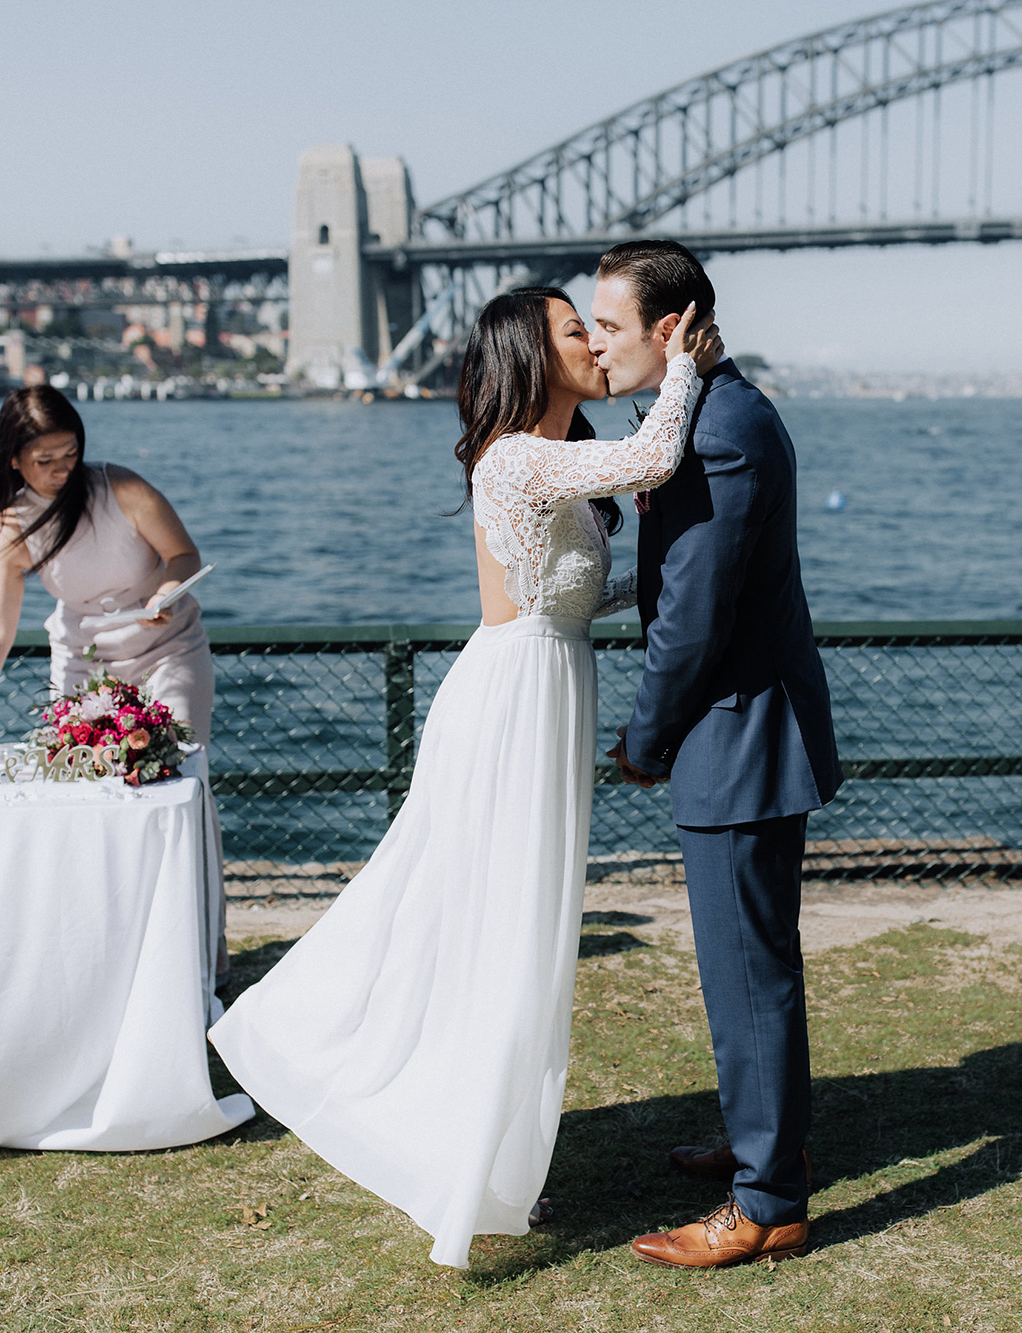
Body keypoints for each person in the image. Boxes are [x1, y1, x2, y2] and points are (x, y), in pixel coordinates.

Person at [208, 287, 725, 1270]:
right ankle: (413, 1118)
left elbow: (573, 596)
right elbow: (653, 456)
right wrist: (685, 358)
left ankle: (476, 1148)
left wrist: (665, 588)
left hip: (547, 682)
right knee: (492, 922)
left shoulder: (553, 468)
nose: (593, 340)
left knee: (518, 925)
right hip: (512, 700)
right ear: (531, 354)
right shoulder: (518, 456)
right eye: (576, 329)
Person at [595, 240, 843, 1269]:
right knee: (747, 963)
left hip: (735, 735)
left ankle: (767, 1202)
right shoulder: (706, 414)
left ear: (669, 327)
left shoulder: (722, 431)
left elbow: (690, 618)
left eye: (607, 325)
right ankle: (758, 1148)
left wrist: (644, 739)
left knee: (746, 972)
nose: (595, 343)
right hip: (740, 727)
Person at [0, 386, 226, 978]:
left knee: (179, 786)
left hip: (169, 650)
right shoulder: (11, 529)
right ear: (13, 460)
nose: (60, 471)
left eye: (69, 454)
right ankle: (104, 952)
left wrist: (164, 591)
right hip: (85, 665)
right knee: (84, 798)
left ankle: (198, 955)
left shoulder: (120, 487)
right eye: (44, 461)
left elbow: (183, 554)